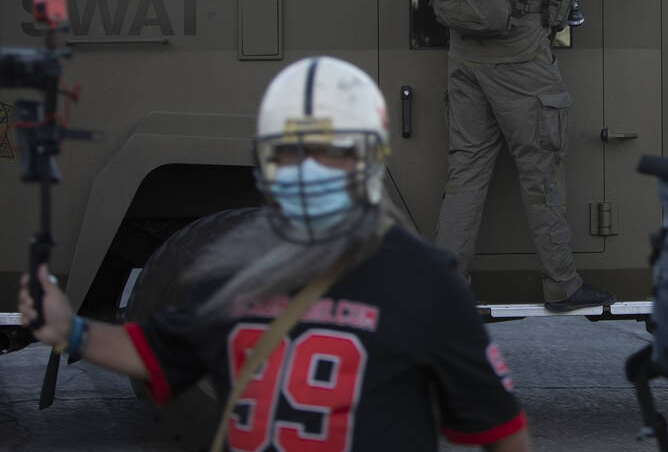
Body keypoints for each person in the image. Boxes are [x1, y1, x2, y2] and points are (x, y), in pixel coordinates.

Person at [18, 56, 530, 452]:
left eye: (330, 149)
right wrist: (72, 331)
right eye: (292, 150)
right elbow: (156, 353)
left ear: (367, 158)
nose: (309, 168)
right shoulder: (234, 270)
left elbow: (501, 428)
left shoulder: (426, 281)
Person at [397, 0, 620, 312]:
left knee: (466, 177)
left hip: (465, 61)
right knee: (541, 174)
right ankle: (562, 284)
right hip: (523, 65)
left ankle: (446, 289)